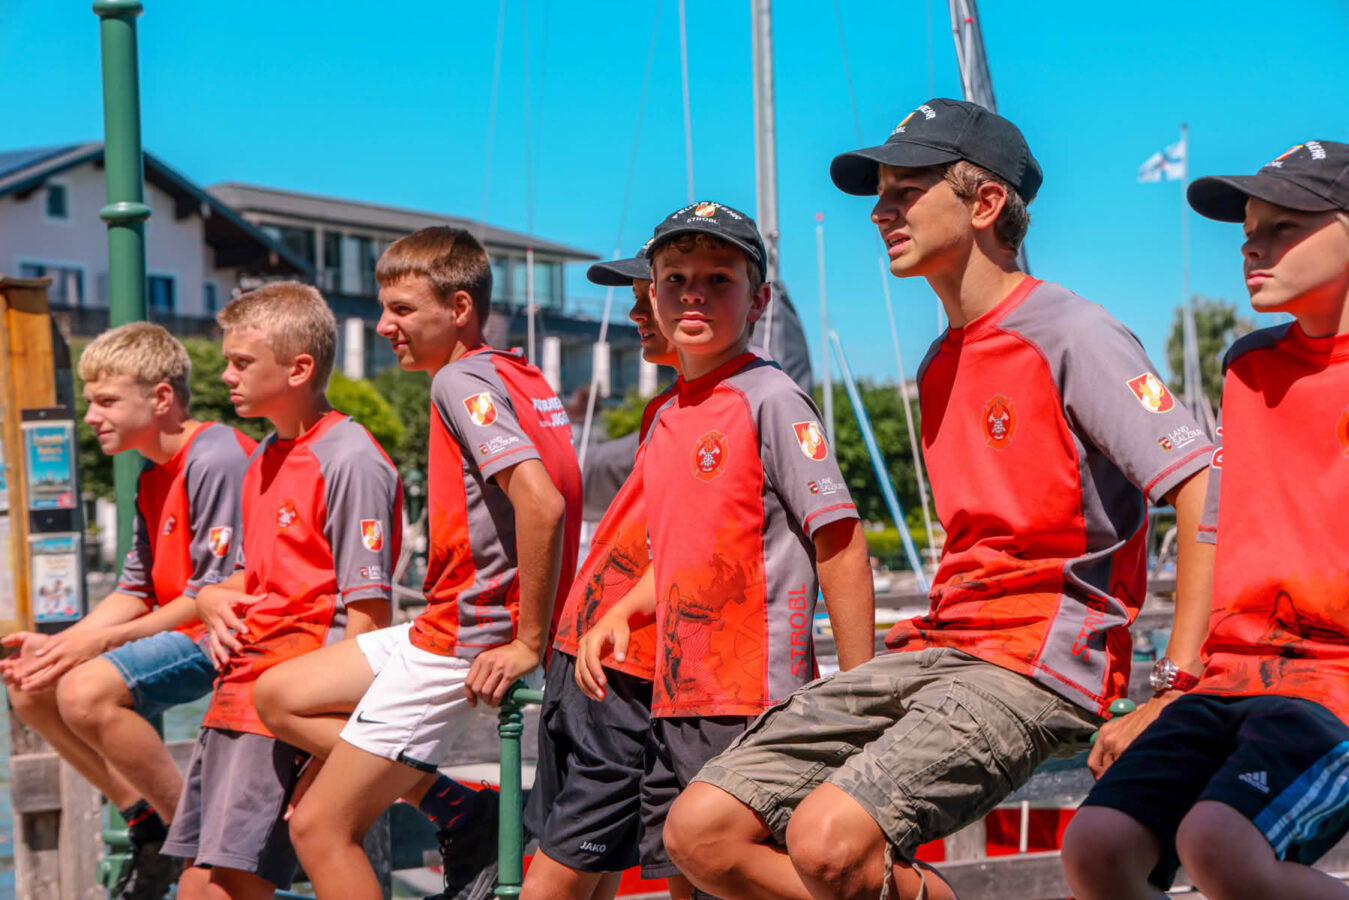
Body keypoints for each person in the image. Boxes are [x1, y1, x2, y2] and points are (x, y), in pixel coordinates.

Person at [661, 99, 1214, 900]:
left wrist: (1176, 684)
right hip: (937, 646)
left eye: (904, 190)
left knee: (826, 842)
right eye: (879, 194)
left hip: (1037, 663)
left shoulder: (1070, 332)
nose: (880, 212)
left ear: (985, 204)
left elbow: (1203, 483)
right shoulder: (935, 363)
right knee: (697, 832)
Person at [251, 226, 582, 900]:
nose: (381, 327)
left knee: (318, 826)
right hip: (452, 622)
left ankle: (462, 811)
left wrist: (525, 643)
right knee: (278, 695)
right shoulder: (518, 372)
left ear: (458, 308)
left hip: (469, 637)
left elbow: (541, 505)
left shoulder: (459, 382)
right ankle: (461, 807)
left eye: (401, 310)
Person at [1063, 140, 1349, 900]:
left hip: (1335, 686)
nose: (1252, 245)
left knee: (1217, 844)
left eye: (1284, 226)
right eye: (1249, 229)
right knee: (1094, 846)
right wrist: (1170, 686)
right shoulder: (1247, 366)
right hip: (1229, 679)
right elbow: (1213, 529)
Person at [575, 201, 876, 895]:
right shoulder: (669, 417)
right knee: (688, 873)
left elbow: (838, 539)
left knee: (730, 860)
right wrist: (623, 612)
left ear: (758, 300)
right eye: (676, 278)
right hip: (676, 695)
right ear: (651, 295)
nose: (694, 293)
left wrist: (863, 693)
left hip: (752, 696)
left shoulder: (770, 397)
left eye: (718, 278)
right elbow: (683, 555)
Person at [162, 282, 403, 900]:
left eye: (241, 362)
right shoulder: (265, 453)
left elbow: (368, 619)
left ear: (299, 368)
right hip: (236, 696)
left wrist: (329, 757)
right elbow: (258, 573)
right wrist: (214, 594)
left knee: (228, 885)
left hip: (280, 706)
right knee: (199, 882)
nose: (226, 376)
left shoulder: (349, 457)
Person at [2, 322, 251, 900]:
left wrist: (94, 647)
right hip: (180, 627)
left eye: (106, 400)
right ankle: (146, 821)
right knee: (32, 689)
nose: (91, 415)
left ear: (161, 398)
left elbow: (213, 595)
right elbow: (136, 587)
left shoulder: (215, 455)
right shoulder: (148, 476)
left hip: (222, 634)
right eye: (90, 400)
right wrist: (60, 645)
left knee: (85, 692)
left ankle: (192, 841)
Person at [522, 249, 688, 900]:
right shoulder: (662, 413)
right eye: (641, 293)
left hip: (632, 669)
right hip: (589, 657)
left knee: (553, 883)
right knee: (586, 878)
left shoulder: (736, 409)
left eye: (654, 293)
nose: (635, 309)